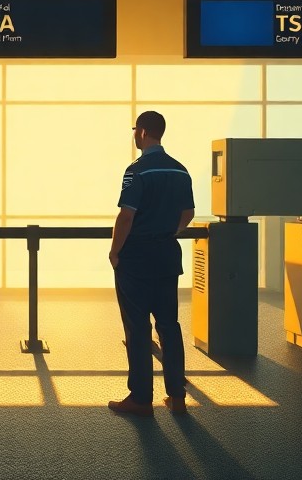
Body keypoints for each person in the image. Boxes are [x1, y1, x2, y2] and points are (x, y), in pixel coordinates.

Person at [107, 110, 195, 417]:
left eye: (134, 129)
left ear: (143, 132)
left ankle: (141, 398)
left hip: (137, 258)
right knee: (169, 326)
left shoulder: (136, 170)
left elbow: (126, 215)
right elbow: (188, 214)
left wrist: (115, 251)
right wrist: (168, 233)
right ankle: (177, 396)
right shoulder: (180, 170)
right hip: (167, 255)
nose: (133, 134)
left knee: (138, 328)